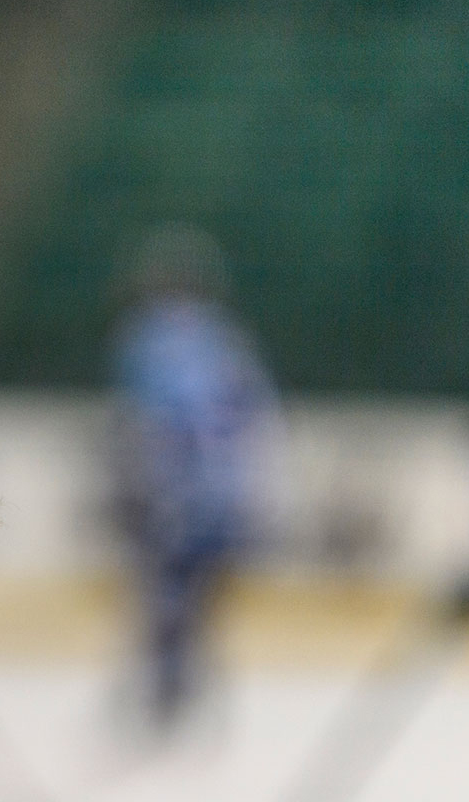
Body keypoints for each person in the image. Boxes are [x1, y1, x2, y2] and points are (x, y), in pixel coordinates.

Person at [106, 223, 278, 733]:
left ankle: (167, 692)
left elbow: (142, 421)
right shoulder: (226, 340)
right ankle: (188, 687)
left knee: (161, 591)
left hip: (172, 488)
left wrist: (128, 484)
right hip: (222, 490)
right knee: (201, 595)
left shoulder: (145, 339)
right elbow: (254, 416)